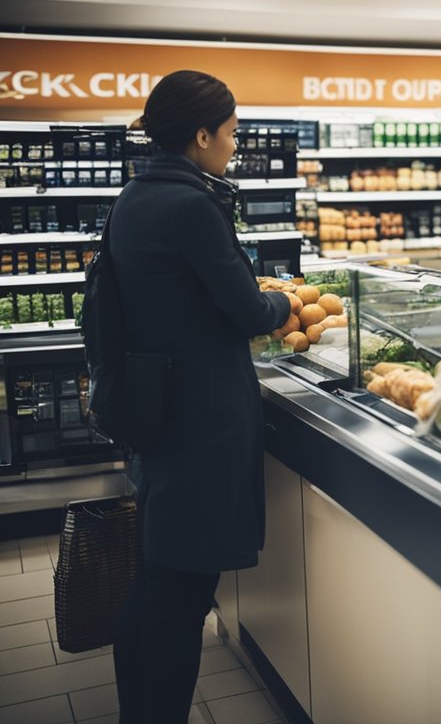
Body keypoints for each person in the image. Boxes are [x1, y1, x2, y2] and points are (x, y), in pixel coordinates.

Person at [108, 70, 291, 723]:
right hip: (200, 420)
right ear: (203, 133)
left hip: (162, 413)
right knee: (181, 590)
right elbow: (246, 309)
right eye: (233, 133)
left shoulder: (138, 196)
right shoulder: (191, 205)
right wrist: (283, 301)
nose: (234, 147)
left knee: (164, 578)